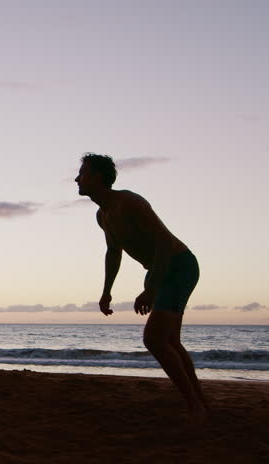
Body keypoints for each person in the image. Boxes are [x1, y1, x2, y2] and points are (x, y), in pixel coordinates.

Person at [76, 153, 207, 417]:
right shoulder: (102, 214)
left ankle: (195, 407)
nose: (77, 178)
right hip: (159, 270)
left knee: (155, 339)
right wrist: (106, 292)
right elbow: (113, 252)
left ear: (98, 177)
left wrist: (151, 288)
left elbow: (163, 243)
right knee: (169, 341)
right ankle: (199, 402)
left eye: (83, 173)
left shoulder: (129, 202)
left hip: (178, 265)